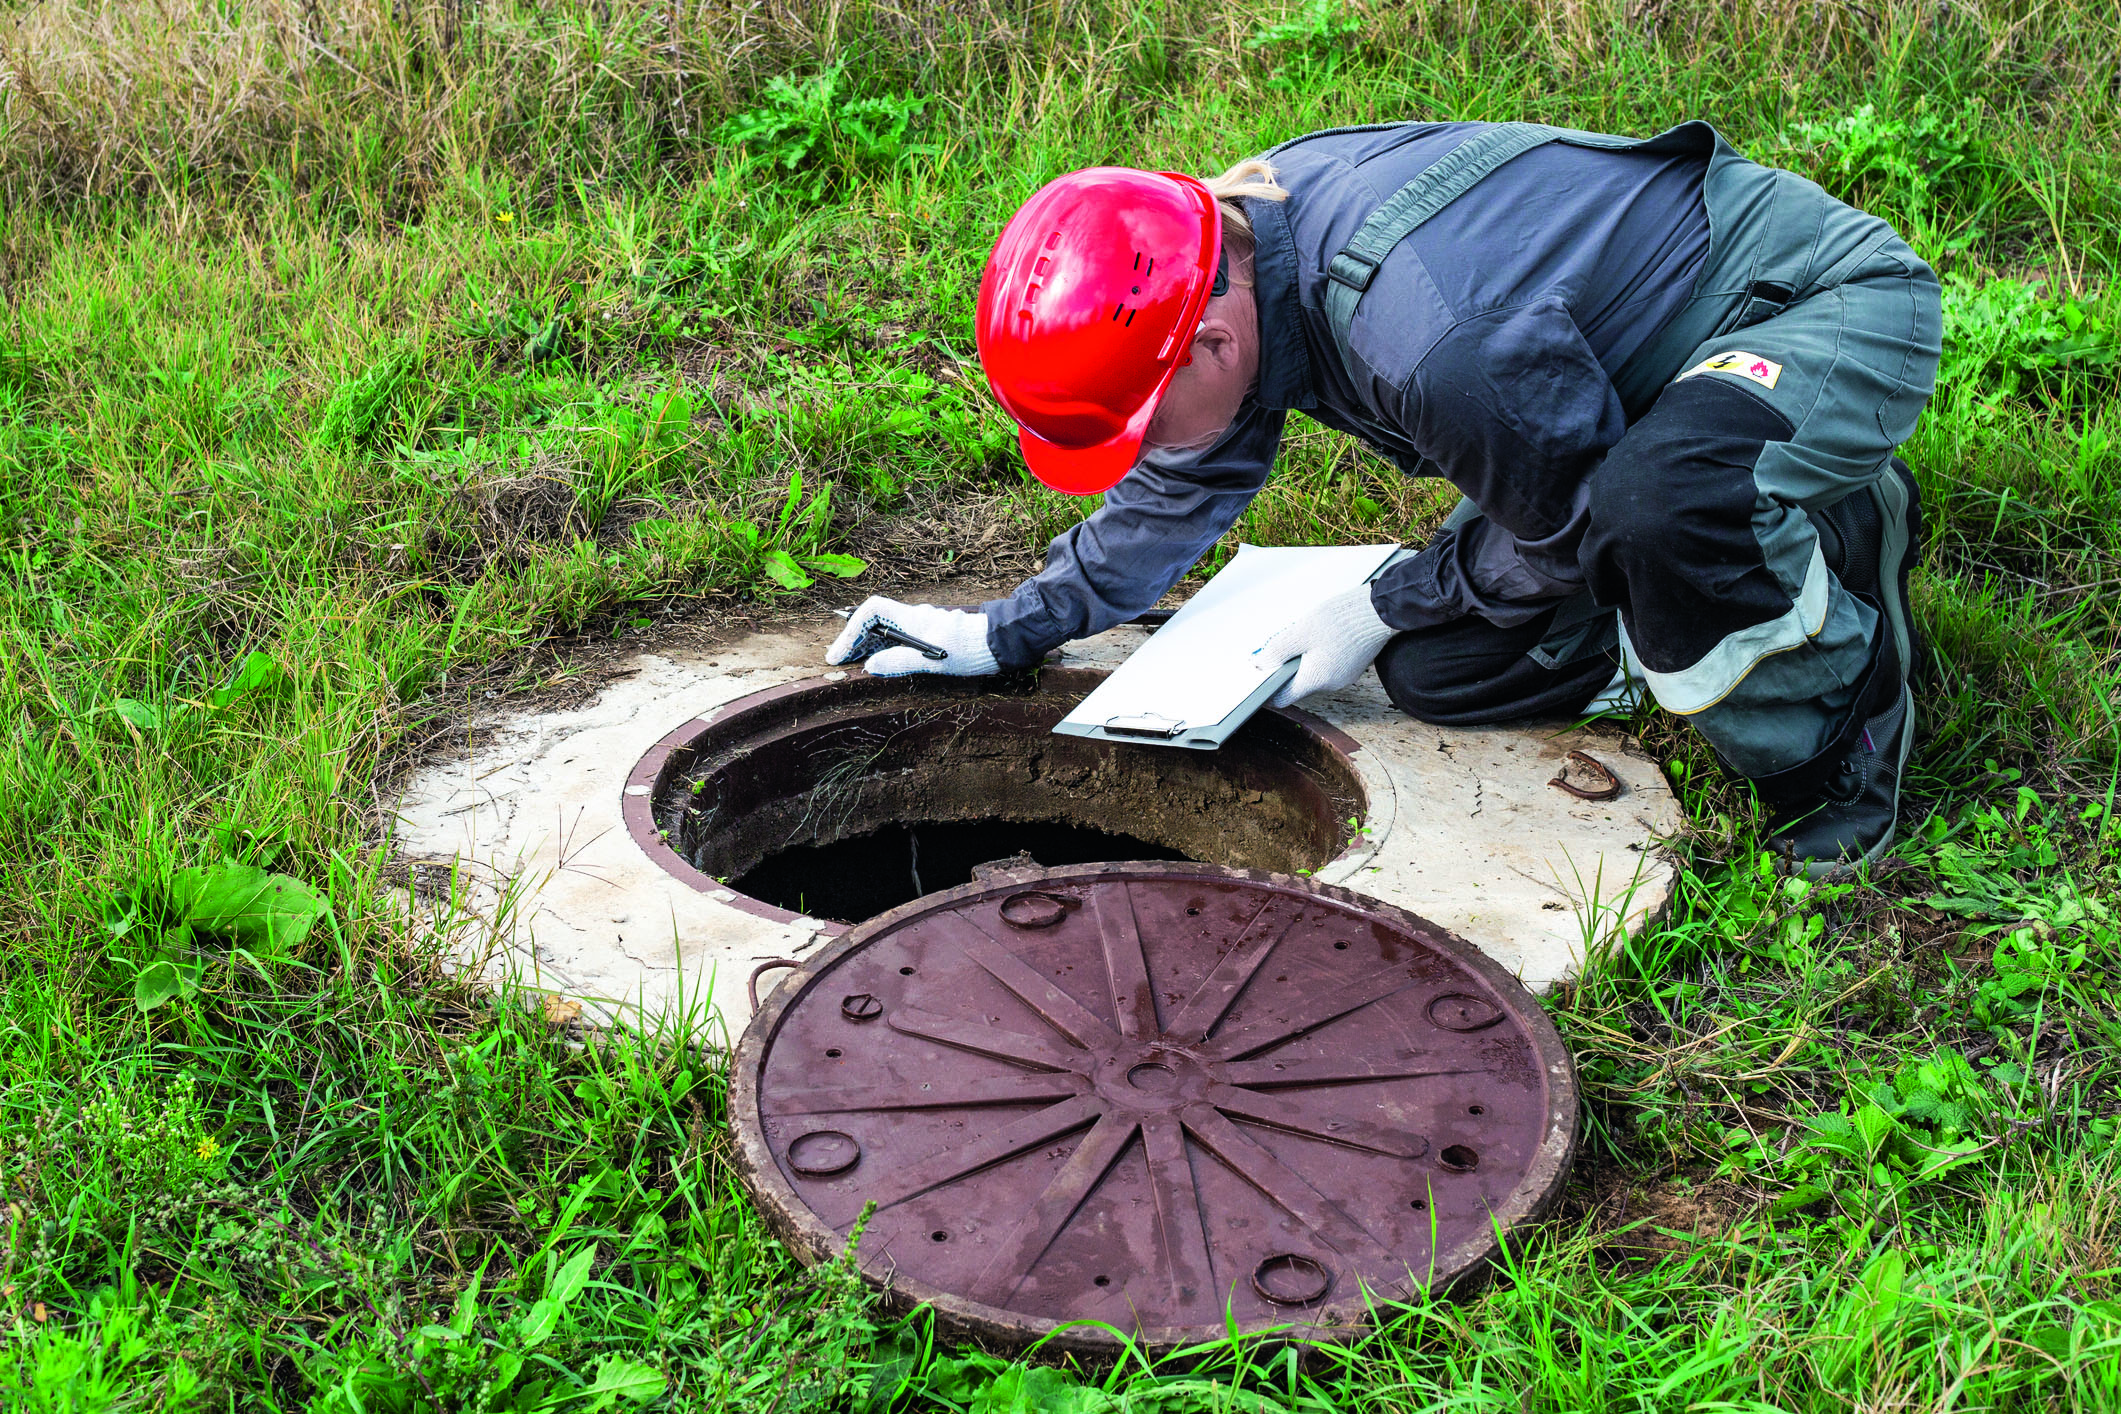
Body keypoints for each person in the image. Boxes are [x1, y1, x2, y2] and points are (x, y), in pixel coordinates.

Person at [827, 120, 1942, 876]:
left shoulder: (1435, 340)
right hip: (1590, 387)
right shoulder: (1227, 241)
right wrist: (1001, 630)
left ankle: (1834, 735)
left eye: (1139, 421)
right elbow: (1183, 485)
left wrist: (1379, 594)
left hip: (1800, 307)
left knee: (1659, 509)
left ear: (1212, 341)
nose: (1139, 455)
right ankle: (1720, 545)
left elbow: (1571, 527)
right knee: (1440, 670)